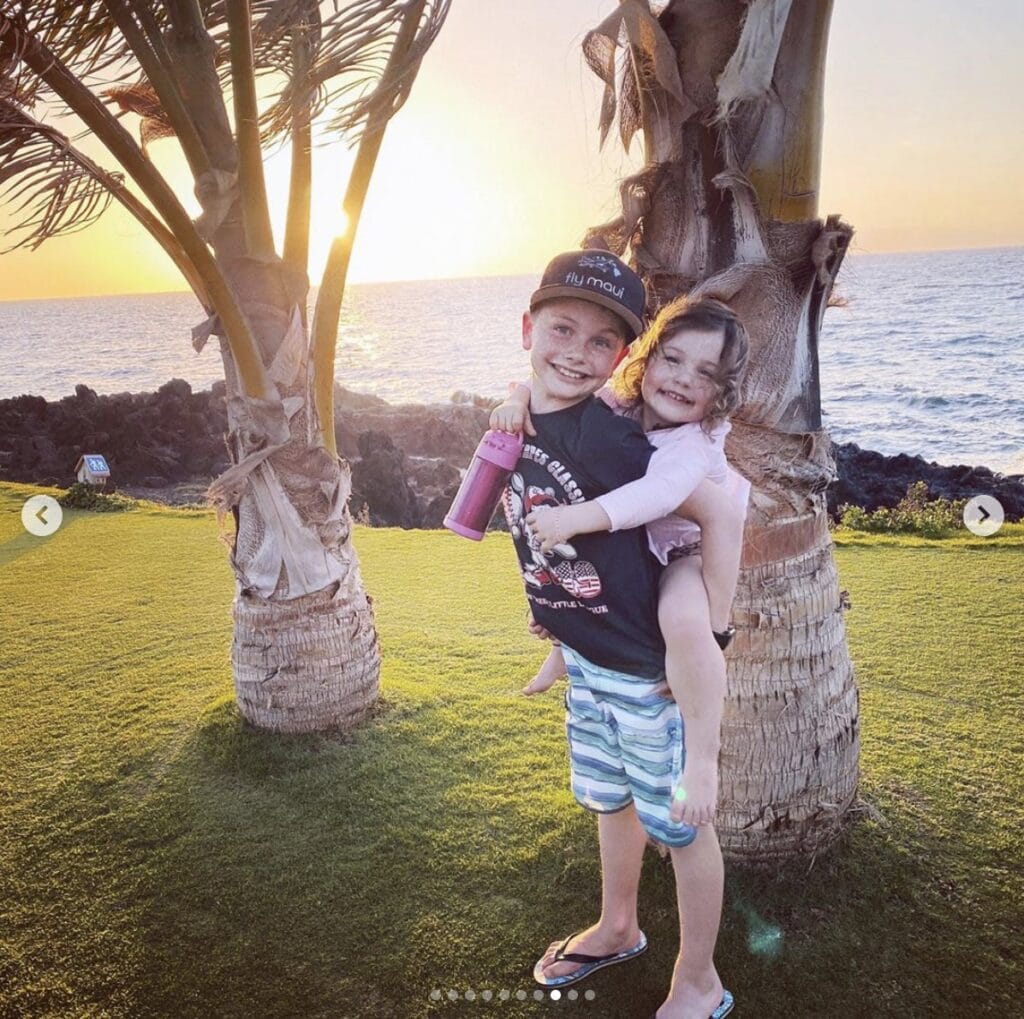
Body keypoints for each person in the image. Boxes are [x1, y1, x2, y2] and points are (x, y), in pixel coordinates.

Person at [501, 249, 734, 1019]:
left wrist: (721, 611)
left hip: (651, 654)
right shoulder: (580, 414)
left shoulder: (644, 446)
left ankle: (700, 980)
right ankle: (619, 923)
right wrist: (565, 639)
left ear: (617, 353)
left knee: (683, 824)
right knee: (614, 803)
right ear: (528, 327)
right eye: (561, 329)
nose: (576, 350)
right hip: (598, 663)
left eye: (599, 340)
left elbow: (719, 511)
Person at [491, 294, 750, 832]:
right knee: (589, 576)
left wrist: (717, 627)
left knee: (683, 618)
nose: (681, 380)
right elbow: (556, 395)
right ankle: (565, 651)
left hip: (686, 553)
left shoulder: (691, 447)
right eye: (672, 360)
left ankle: (702, 761)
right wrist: (517, 396)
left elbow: (656, 497)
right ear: (645, 360)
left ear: (723, 395)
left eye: (705, 373)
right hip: (640, 549)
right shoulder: (620, 410)